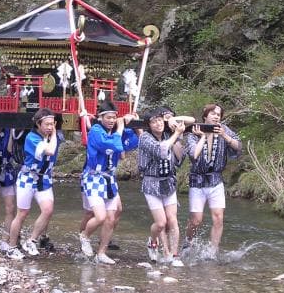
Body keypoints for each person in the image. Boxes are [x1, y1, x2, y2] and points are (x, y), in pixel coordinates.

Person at [79, 101, 138, 265]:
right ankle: (84, 236)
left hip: (109, 179)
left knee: (111, 218)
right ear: (101, 117)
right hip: (94, 178)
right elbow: (113, 145)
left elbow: (132, 142)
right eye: (108, 117)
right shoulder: (96, 131)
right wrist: (121, 127)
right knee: (100, 216)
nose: (112, 120)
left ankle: (102, 252)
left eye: (114, 117)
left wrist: (133, 123)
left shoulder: (116, 130)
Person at [184, 103, 242, 254]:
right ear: (205, 115)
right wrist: (202, 137)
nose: (216, 116)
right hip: (197, 180)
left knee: (218, 218)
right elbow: (192, 154)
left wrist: (225, 136)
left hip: (216, 179)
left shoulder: (224, 129)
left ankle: (213, 251)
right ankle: (188, 243)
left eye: (218, 114)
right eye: (213, 113)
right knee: (196, 220)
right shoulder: (194, 131)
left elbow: (238, 147)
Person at [6, 108, 62, 260]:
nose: (50, 127)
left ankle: (32, 240)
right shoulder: (32, 138)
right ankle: (11, 247)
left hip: (44, 178)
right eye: (47, 124)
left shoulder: (52, 136)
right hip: (28, 178)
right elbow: (49, 151)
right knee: (22, 213)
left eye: (52, 124)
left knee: (48, 210)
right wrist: (54, 134)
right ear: (38, 124)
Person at [138, 108, 186, 266]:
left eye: (160, 120)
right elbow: (161, 150)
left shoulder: (167, 133)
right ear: (148, 125)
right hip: (151, 183)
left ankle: (174, 255)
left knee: (172, 220)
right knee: (161, 223)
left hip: (168, 181)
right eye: (154, 122)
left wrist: (172, 119)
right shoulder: (145, 138)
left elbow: (191, 120)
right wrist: (176, 134)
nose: (158, 124)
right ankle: (153, 242)